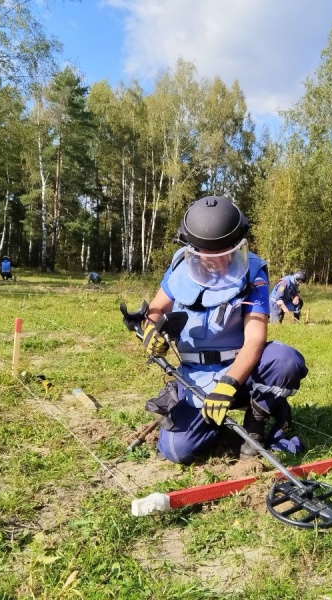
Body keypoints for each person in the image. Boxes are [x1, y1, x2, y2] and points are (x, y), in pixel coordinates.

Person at [136, 195, 308, 464]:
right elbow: (156, 310)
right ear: (192, 248)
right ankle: (211, 423)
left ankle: (255, 429)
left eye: (225, 254)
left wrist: (228, 384)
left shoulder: (253, 272)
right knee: (176, 451)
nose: (217, 262)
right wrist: (151, 330)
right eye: (207, 255)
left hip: (242, 373)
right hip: (195, 377)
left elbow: (254, 339)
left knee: (285, 361)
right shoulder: (179, 267)